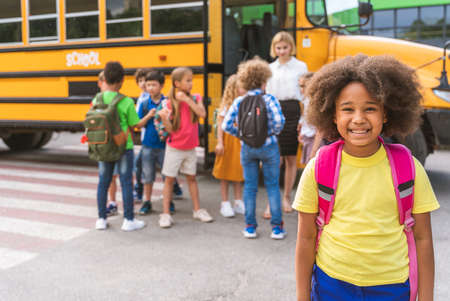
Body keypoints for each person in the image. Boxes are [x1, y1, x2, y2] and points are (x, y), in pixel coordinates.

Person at [293, 55, 440, 300]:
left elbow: (423, 238)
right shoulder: (318, 168)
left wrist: (426, 296)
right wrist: (302, 296)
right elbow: (306, 238)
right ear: (333, 115)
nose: (358, 118)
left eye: (370, 108)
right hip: (332, 285)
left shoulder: (409, 168)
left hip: (392, 287)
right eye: (347, 109)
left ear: (386, 113)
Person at [223, 57, 286, 239]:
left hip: (247, 148)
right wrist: (269, 134)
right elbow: (279, 123)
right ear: (264, 81)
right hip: (269, 147)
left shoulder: (238, 102)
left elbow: (226, 125)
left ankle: (250, 227)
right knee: (272, 186)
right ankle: (277, 229)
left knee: (250, 187)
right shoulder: (270, 100)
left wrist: (242, 135)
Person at [94, 61, 154, 231]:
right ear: (121, 81)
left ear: (104, 78)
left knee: (103, 183)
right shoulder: (126, 101)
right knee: (126, 182)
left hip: (103, 146)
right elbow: (136, 125)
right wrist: (149, 116)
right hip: (123, 147)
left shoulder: (97, 98)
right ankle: (128, 220)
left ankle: (101, 219)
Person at [158, 67, 213, 228]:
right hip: (174, 148)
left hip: (190, 148)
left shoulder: (196, 97)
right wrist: (163, 118)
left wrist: (187, 100)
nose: (191, 83)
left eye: (191, 80)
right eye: (188, 80)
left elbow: (202, 114)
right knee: (169, 180)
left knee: (192, 178)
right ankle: (166, 213)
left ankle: (197, 210)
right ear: (177, 83)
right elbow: (169, 129)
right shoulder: (169, 103)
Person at [265, 31, 308, 218]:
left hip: (293, 109)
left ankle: (286, 197)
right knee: (275, 158)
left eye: (285, 47)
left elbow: (305, 94)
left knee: (290, 157)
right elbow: (266, 95)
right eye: (278, 47)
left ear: (291, 47)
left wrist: (302, 120)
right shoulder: (269, 68)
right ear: (274, 48)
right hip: (274, 109)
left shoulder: (301, 66)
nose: (282, 51)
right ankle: (271, 201)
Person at [137, 69, 177, 215]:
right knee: (147, 176)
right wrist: (148, 116)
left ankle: (169, 201)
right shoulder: (144, 103)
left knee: (168, 176)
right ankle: (147, 201)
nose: (150, 88)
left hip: (165, 145)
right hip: (148, 145)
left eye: (154, 85)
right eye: (148, 85)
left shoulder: (167, 103)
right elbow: (138, 124)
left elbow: (174, 123)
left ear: (161, 86)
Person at [212, 74, 245, 218]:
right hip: (228, 141)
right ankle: (225, 202)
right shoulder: (227, 105)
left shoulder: (245, 102)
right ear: (234, 89)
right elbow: (220, 125)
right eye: (241, 86)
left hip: (240, 141)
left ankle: (238, 201)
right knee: (225, 172)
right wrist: (220, 142)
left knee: (238, 171)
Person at [133, 68, 149, 203]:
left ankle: (138, 191)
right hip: (145, 138)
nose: (143, 83)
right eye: (140, 81)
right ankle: (175, 188)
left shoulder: (148, 97)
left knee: (138, 164)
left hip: (150, 137)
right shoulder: (141, 96)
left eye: (145, 80)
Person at [297, 72, 317, 165]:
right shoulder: (305, 100)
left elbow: (320, 129)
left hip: (315, 139)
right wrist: (302, 131)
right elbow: (304, 117)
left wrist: (314, 149)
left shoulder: (315, 103)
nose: (302, 90)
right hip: (307, 137)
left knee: (313, 166)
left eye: (304, 86)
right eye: (300, 86)